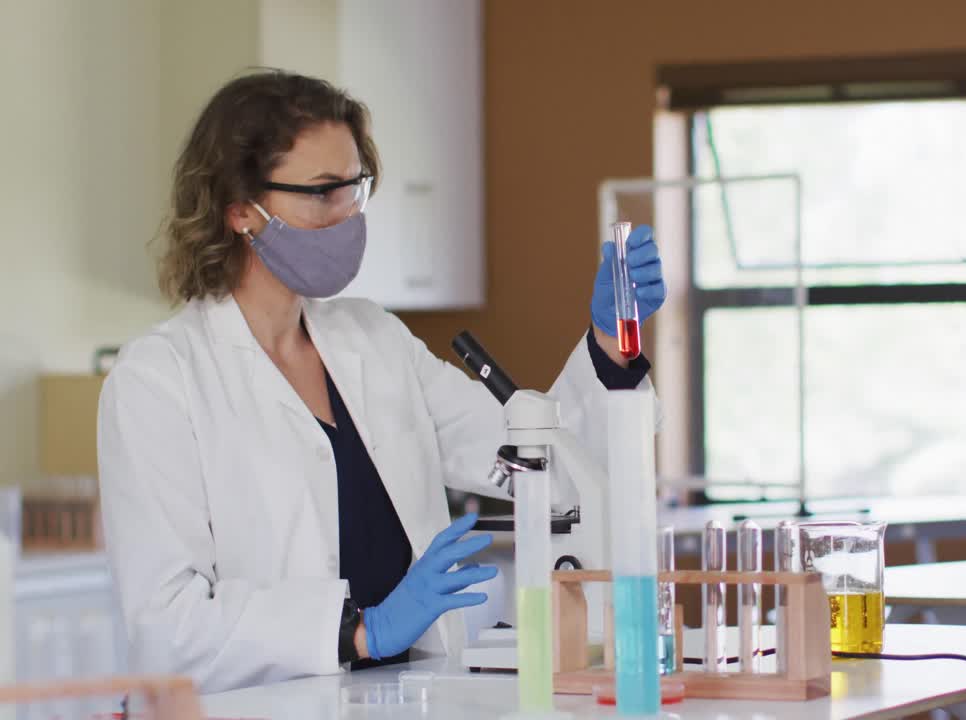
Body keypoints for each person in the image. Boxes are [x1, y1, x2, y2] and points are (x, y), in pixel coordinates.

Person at [97, 69, 665, 693]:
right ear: (239, 209)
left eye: (354, 189)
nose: (346, 216)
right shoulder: (159, 381)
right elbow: (166, 627)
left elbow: (543, 464)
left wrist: (610, 345)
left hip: (403, 700)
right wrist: (359, 632)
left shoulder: (374, 339)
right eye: (323, 192)